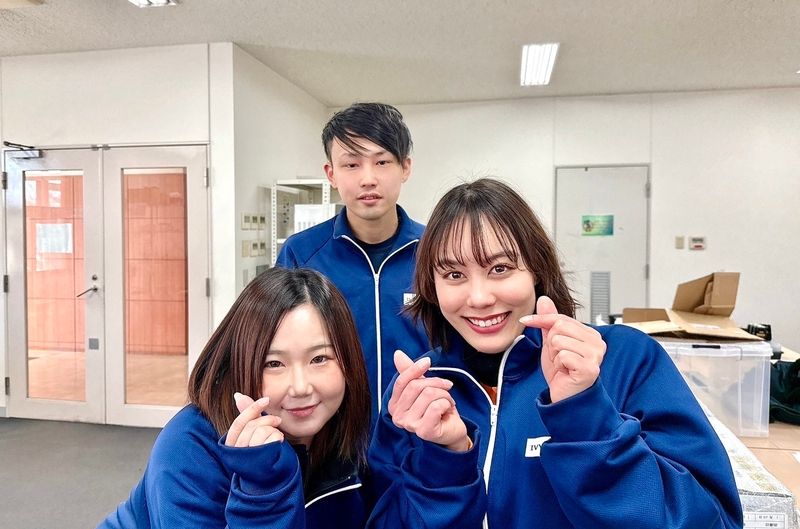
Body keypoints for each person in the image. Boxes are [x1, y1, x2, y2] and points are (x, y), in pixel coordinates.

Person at [367, 178, 743, 528]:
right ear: (431, 287)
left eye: (500, 268)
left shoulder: (625, 361)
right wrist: (444, 459)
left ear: (536, 269)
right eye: (454, 275)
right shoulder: (420, 393)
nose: (479, 298)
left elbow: (713, 520)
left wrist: (585, 415)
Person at [98, 267, 371, 529]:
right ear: (239, 364)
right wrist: (261, 491)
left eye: (319, 358)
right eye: (273, 364)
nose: (300, 387)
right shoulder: (189, 444)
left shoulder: (344, 428)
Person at [276, 102, 429, 418]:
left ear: (406, 168)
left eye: (382, 162)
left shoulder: (438, 250)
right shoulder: (301, 254)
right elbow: (275, 345)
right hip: (333, 431)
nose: (368, 179)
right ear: (331, 174)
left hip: (422, 428)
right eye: (351, 165)